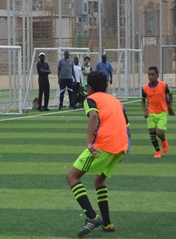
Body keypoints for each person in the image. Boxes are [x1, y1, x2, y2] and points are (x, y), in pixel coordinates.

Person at [66, 70, 130, 237]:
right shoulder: (116, 101)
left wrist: (89, 143)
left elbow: (93, 116)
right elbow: (126, 125)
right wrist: (125, 146)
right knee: (99, 180)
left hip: (104, 145)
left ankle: (93, 217)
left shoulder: (91, 99)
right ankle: (107, 224)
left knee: (72, 176)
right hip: (121, 145)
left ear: (89, 88)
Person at [141, 66, 175, 158]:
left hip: (162, 112)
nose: (150, 77)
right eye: (149, 75)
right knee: (152, 132)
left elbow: (170, 94)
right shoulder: (144, 88)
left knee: (159, 133)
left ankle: (163, 140)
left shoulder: (164, 85)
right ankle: (157, 152)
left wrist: (170, 106)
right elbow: (143, 100)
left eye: (152, 75)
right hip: (151, 112)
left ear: (157, 76)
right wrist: (145, 111)